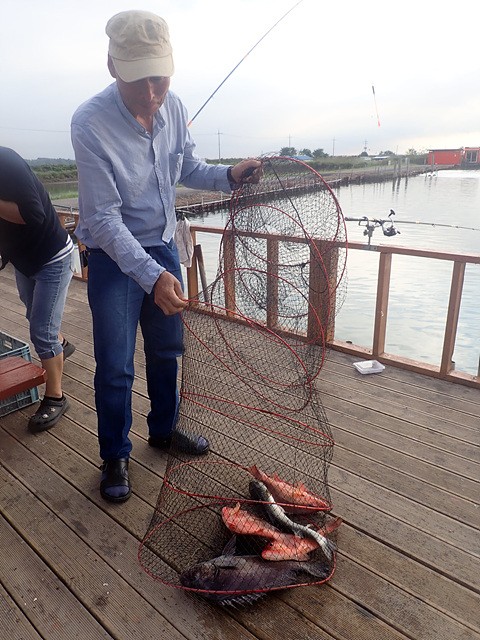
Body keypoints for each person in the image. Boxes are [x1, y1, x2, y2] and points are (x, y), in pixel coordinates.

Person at [71, 10, 261, 504]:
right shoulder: (89, 123)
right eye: (140, 79)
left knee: (167, 350)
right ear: (112, 66)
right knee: (115, 363)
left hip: (161, 243)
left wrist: (229, 175)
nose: (153, 93)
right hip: (113, 255)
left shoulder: (173, 106)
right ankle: (115, 454)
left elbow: (188, 166)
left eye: (161, 77)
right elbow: (104, 220)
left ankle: (163, 429)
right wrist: (151, 275)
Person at [0, 146, 75, 431]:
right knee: (35, 315)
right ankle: (61, 344)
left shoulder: (7, 162)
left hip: (52, 256)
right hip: (24, 260)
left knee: (41, 331)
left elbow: (34, 214)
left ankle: (56, 398)